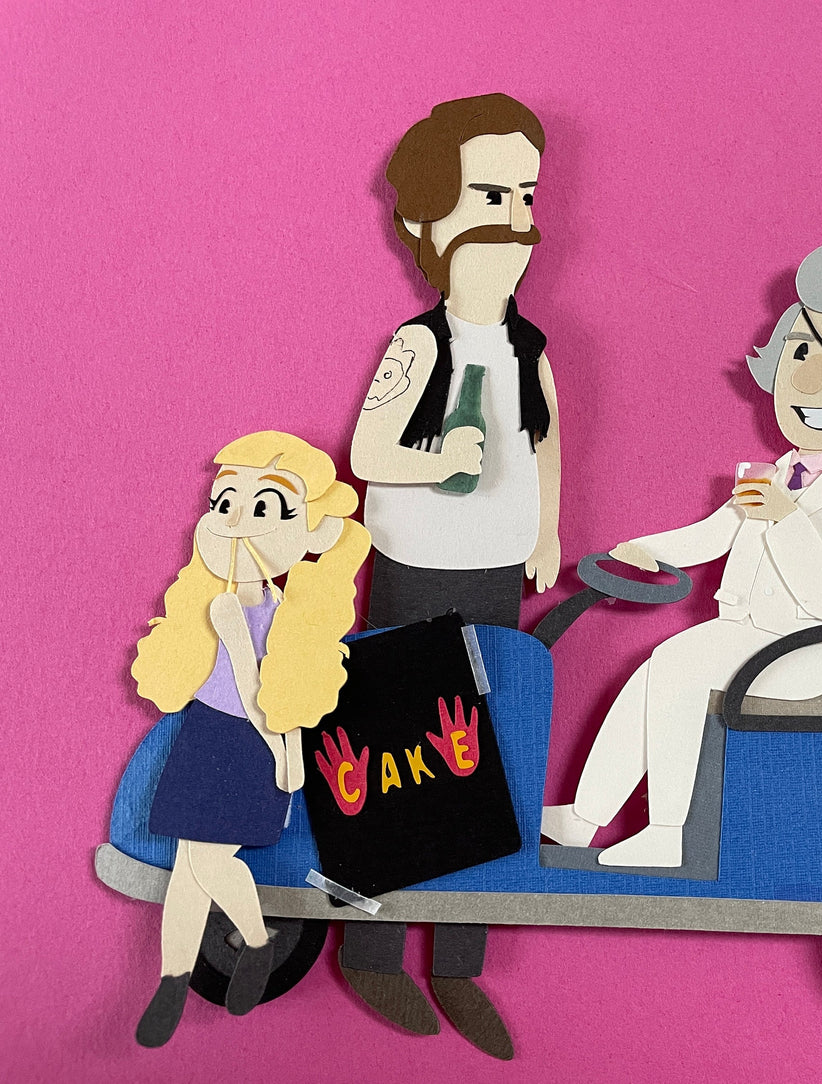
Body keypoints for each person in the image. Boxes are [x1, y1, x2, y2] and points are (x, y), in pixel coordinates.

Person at [542, 245, 822, 868]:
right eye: (801, 355)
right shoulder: (773, 476)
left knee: (676, 665)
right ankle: (585, 817)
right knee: (652, 671)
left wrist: (786, 519)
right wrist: (648, 549)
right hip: (745, 635)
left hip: (799, 652)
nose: (813, 383)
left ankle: (667, 833)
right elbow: (714, 533)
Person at [342, 94, 562, 1058]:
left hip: (498, 573)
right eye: (488, 195)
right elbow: (368, 452)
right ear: (429, 226)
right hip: (416, 571)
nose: (511, 219)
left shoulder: (530, 349)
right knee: (396, 756)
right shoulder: (417, 346)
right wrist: (435, 459)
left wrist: (547, 529)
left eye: (524, 196)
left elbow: (547, 445)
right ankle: (372, 948)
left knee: (489, 757)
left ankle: (459, 958)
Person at [131, 432, 371, 1047]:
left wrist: (284, 751)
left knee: (205, 861)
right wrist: (285, 748)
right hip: (211, 736)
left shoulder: (281, 608)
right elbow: (247, 682)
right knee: (189, 866)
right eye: (226, 502)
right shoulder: (219, 606)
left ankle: (257, 944)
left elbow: (275, 689)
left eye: (264, 507)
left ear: (312, 531)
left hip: (250, 745)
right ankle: (175, 978)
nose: (236, 521)